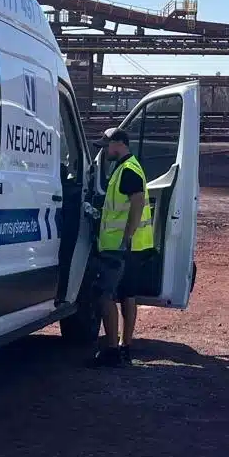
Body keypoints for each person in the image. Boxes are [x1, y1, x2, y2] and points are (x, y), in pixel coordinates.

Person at [88, 126, 154, 367]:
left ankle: (112, 350)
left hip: (120, 247)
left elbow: (136, 205)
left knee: (104, 294)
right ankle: (125, 347)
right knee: (127, 295)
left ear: (119, 143)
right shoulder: (129, 167)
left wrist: (126, 236)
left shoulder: (127, 170)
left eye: (106, 146)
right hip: (131, 247)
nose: (104, 151)